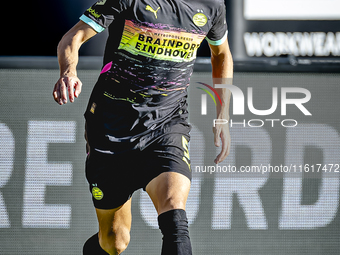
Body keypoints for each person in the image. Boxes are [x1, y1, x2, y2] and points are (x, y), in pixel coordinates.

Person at [53, 0, 233, 254]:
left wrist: (223, 114)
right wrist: (68, 72)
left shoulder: (211, 5)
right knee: (114, 241)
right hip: (110, 128)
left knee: (175, 217)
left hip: (167, 127)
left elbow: (221, 53)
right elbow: (73, 37)